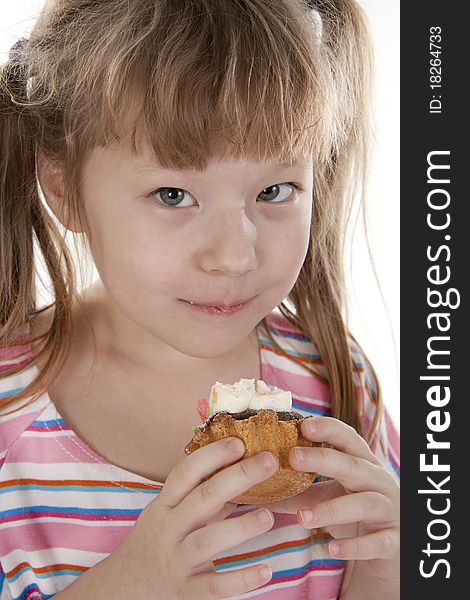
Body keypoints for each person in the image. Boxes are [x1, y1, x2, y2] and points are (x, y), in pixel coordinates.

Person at [0, 0, 399, 598]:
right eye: (172, 194)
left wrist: (389, 567)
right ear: (64, 186)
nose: (236, 255)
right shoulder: (10, 413)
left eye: (275, 189)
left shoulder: (336, 381)